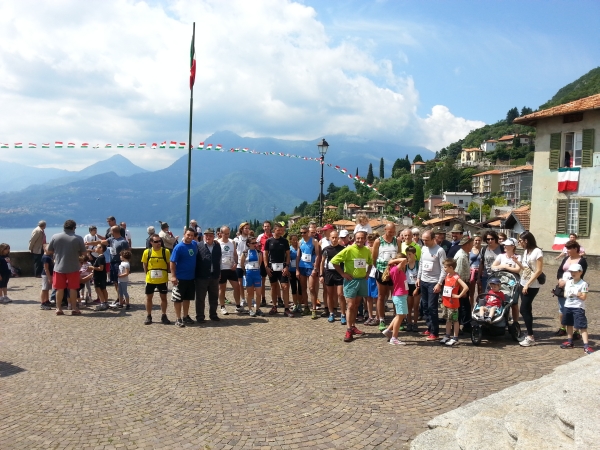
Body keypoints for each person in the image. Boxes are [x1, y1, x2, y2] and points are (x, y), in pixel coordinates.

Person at [331, 230, 373, 343]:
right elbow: (334, 261)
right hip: (351, 281)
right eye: (357, 238)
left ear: (365, 239)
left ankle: (353, 326)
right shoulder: (349, 249)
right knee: (350, 306)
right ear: (354, 239)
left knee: (356, 305)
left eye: (362, 238)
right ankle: (349, 330)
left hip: (362, 281)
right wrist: (342, 274)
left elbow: (370, 262)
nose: (360, 240)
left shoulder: (366, 250)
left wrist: (368, 273)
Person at [46, 219, 87, 315]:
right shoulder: (78, 238)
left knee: (59, 289)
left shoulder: (55, 237)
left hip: (59, 267)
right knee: (73, 288)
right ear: (74, 228)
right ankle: (73, 308)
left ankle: (58, 309)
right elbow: (84, 253)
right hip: (73, 267)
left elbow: (48, 251)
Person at [416, 230, 447, 341]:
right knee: (424, 306)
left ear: (433, 238)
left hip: (434, 282)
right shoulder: (424, 248)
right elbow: (421, 263)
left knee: (432, 307)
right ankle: (429, 327)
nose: (424, 242)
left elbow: (444, 268)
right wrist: (418, 277)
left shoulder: (440, 250)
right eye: (423, 240)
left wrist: (439, 283)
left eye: (427, 240)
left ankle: (435, 332)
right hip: (424, 280)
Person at [555, 241, 587, 338]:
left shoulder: (582, 261)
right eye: (566, 248)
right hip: (562, 286)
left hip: (574, 286)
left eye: (569, 248)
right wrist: (560, 279)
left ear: (575, 249)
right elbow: (560, 271)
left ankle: (576, 331)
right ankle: (562, 327)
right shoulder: (565, 258)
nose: (567, 250)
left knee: (575, 308)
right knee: (562, 308)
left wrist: (567, 282)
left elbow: (580, 275)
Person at [559, 264, 593, 354]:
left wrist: (576, 293)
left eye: (575, 271)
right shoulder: (569, 282)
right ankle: (570, 341)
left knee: (582, 326)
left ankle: (586, 346)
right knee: (568, 324)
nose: (573, 273)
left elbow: (584, 297)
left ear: (580, 272)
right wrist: (569, 294)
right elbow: (565, 294)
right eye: (571, 271)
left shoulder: (584, 284)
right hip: (568, 306)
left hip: (578, 307)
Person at [518, 231, 544, 347]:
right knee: (527, 309)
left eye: (521, 241)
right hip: (522, 282)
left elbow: (538, 270)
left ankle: (530, 336)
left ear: (526, 241)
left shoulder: (537, 252)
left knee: (523, 309)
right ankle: (529, 333)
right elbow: (525, 268)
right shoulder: (526, 252)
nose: (519, 243)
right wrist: (516, 262)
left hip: (531, 285)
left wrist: (527, 284)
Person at [372, 223, 399, 331]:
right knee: (381, 296)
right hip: (382, 271)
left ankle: (396, 318)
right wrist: (380, 268)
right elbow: (373, 258)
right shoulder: (378, 241)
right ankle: (381, 319)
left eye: (393, 232)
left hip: (394, 272)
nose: (392, 233)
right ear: (385, 229)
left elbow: (400, 255)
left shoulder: (397, 240)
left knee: (396, 296)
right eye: (390, 231)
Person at [169, 228, 198, 328]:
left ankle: (185, 316)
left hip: (191, 277)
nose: (190, 237)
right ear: (184, 234)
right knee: (178, 299)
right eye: (188, 235)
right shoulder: (179, 247)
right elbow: (172, 262)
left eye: (192, 235)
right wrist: (173, 276)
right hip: (180, 278)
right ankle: (178, 318)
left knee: (187, 298)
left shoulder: (194, 244)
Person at [264, 222, 294, 317]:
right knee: (273, 287)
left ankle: (286, 308)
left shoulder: (284, 241)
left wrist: (287, 266)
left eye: (281, 230)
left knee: (285, 287)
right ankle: (274, 306)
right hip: (272, 267)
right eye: (278, 230)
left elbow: (288, 254)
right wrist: (266, 267)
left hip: (282, 267)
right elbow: (265, 254)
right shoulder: (269, 241)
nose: (280, 232)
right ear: (274, 230)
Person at [141, 234, 172, 325]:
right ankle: (149, 315)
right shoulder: (147, 252)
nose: (159, 243)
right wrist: (147, 274)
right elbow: (145, 265)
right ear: (151, 243)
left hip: (162, 279)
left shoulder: (165, 251)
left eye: (160, 241)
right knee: (149, 298)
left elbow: (168, 264)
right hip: (150, 279)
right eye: (156, 241)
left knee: (163, 297)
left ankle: (164, 315)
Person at [491, 238, 521, 323]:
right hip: (501, 281)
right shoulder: (501, 256)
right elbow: (493, 266)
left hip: (513, 281)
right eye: (504, 245)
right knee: (501, 300)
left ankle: (515, 322)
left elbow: (518, 270)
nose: (504, 246)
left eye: (506, 245)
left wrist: (505, 267)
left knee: (514, 303)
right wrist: (504, 266)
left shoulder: (518, 257)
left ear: (512, 246)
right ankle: (501, 320)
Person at [194, 228, 222, 323]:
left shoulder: (217, 246)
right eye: (206, 235)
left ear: (213, 236)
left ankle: (213, 314)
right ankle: (200, 316)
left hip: (214, 276)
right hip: (201, 276)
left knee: (214, 297)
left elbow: (219, 260)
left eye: (210, 235)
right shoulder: (198, 246)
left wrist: (219, 273)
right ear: (203, 236)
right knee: (200, 298)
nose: (208, 237)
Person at [439, 258, 469, 346]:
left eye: (445, 267)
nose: (444, 269)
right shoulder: (447, 275)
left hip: (453, 303)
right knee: (448, 320)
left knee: (455, 320)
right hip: (446, 302)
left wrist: (459, 296)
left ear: (451, 267)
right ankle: (447, 335)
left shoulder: (456, 277)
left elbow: (466, 287)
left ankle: (455, 337)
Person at [380, 256, 409, 345]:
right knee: (400, 316)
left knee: (400, 315)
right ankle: (394, 337)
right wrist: (392, 261)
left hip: (400, 295)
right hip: (399, 295)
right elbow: (404, 260)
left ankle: (388, 330)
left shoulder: (396, 269)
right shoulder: (395, 269)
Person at [320, 230, 346, 324]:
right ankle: (331, 313)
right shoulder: (326, 249)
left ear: (338, 238)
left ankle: (343, 314)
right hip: (328, 273)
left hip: (339, 274)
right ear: (330, 238)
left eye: (336, 237)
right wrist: (321, 275)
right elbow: (322, 262)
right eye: (332, 237)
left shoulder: (343, 249)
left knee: (340, 294)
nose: (334, 239)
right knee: (329, 294)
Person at [298, 224, 322, 319]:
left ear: (308, 232)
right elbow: (298, 256)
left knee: (311, 288)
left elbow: (318, 255)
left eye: (304, 232)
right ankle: (306, 307)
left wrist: (315, 268)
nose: (303, 234)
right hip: (302, 266)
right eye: (301, 233)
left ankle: (314, 309)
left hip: (311, 267)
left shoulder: (314, 241)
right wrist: (297, 269)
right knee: (303, 288)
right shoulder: (300, 242)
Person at [217, 225, 242, 314]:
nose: (227, 235)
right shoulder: (217, 242)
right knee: (222, 288)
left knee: (237, 287)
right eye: (225, 234)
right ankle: (222, 306)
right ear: (221, 233)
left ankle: (238, 306)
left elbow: (235, 254)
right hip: (222, 268)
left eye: (228, 233)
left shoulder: (232, 242)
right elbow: (215, 257)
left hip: (231, 268)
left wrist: (236, 263)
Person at [101, 226, 130, 297]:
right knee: (115, 281)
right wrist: (88, 243)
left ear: (113, 232)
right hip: (112, 262)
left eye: (110, 231)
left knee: (118, 281)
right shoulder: (111, 239)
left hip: (119, 263)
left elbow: (127, 253)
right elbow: (102, 242)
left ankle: (121, 298)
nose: (110, 232)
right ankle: (119, 297)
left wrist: (126, 264)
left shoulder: (123, 242)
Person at [454, 236, 474, 332]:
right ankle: (464, 325)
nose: (473, 245)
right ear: (467, 244)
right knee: (463, 306)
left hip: (464, 283)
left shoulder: (465, 254)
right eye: (472, 243)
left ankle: (465, 324)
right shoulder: (461, 256)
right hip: (461, 284)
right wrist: (462, 289)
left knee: (465, 306)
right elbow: (458, 274)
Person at [240, 236, 263, 317]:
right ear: (248, 244)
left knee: (259, 293)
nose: (255, 244)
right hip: (248, 273)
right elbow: (242, 263)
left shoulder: (259, 252)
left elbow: (260, 263)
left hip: (257, 273)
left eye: (255, 243)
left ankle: (257, 309)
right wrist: (245, 271)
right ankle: (250, 309)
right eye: (253, 243)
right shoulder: (245, 252)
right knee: (249, 293)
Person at [256, 220, 273, 307]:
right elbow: (257, 247)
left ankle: (275, 298)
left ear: (270, 227)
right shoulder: (260, 237)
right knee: (262, 280)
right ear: (263, 227)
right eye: (265, 226)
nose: (266, 228)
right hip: (263, 261)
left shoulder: (273, 236)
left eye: (268, 226)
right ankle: (263, 298)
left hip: (272, 261)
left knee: (273, 281)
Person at [234, 222, 250, 307]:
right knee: (240, 283)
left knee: (249, 283)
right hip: (239, 265)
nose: (247, 230)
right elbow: (234, 252)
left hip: (248, 264)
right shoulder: (236, 239)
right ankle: (243, 299)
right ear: (241, 229)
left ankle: (250, 298)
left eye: (248, 228)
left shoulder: (250, 239)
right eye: (245, 228)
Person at [404, 246, 420, 332]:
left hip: (416, 286)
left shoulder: (418, 264)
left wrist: (417, 288)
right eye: (407, 254)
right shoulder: (405, 265)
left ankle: (415, 323)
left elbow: (420, 276)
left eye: (410, 254)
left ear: (414, 254)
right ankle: (409, 323)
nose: (408, 256)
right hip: (408, 287)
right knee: (409, 307)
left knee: (416, 307)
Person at [364, 233, 379, 325]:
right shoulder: (366, 249)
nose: (370, 244)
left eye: (372, 242)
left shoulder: (378, 249)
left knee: (377, 297)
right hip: (368, 274)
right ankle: (370, 316)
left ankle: (378, 316)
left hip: (376, 274)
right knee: (368, 297)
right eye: (369, 242)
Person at [90, 243, 109, 310]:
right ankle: (105, 302)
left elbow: (101, 268)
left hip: (99, 276)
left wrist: (92, 267)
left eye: (97, 247)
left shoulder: (101, 258)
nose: (95, 248)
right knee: (103, 289)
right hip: (102, 276)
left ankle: (102, 303)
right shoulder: (101, 257)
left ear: (101, 249)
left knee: (98, 289)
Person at [288, 233, 304, 314]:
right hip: (291, 271)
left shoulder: (300, 248)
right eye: (293, 240)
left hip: (300, 270)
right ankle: (295, 304)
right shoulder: (289, 249)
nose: (294, 241)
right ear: (290, 240)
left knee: (300, 288)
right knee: (294, 288)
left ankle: (299, 305)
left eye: (296, 239)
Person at [468, 234, 483, 307]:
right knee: (471, 292)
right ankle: (471, 307)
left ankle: (479, 307)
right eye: (476, 240)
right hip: (472, 272)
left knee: (480, 291)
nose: (477, 242)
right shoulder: (470, 249)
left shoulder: (483, 250)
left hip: (480, 272)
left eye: (479, 240)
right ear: (473, 241)